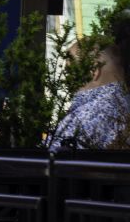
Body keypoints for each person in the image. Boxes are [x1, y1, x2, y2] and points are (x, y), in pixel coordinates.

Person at [53, 10, 130, 150]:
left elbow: (53, 165)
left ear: (93, 71)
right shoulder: (123, 107)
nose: (66, 81)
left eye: (71, 71)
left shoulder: (86, 117)